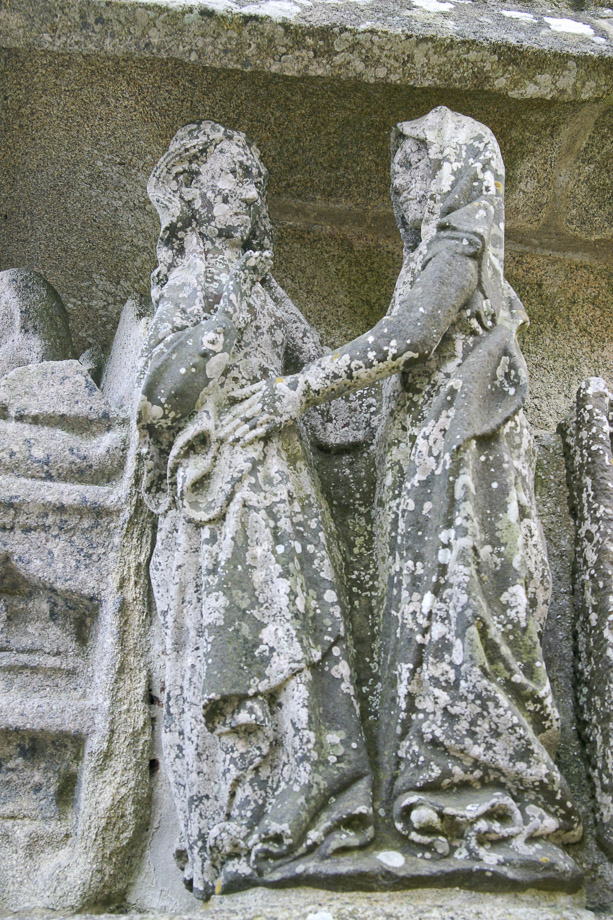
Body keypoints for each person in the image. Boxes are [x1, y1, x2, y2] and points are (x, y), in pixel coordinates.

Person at [220, 107, 582, 878]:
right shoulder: (423, 258)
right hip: (427, 455)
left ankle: (482, 783)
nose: (401, 182)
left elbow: (410, 337)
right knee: (419, 609)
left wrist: (299, 390)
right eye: (400, 168)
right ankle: (433, 784)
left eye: (418, 166)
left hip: (462, 459)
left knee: (459, 605)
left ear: (458, 171)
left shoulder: (459, 246)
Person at [138, 122, 373, 900]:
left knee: (307, 633)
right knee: (235, 640)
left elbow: (334, 397)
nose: (246, 194)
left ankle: (319, 804)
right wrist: (220, 326)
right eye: (230, 177)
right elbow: (159, 400)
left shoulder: (265, 290)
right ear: (189, 192)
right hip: (217, 497)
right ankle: (241, 812)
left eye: (251, 182)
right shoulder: (181, 284)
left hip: (285, 488)